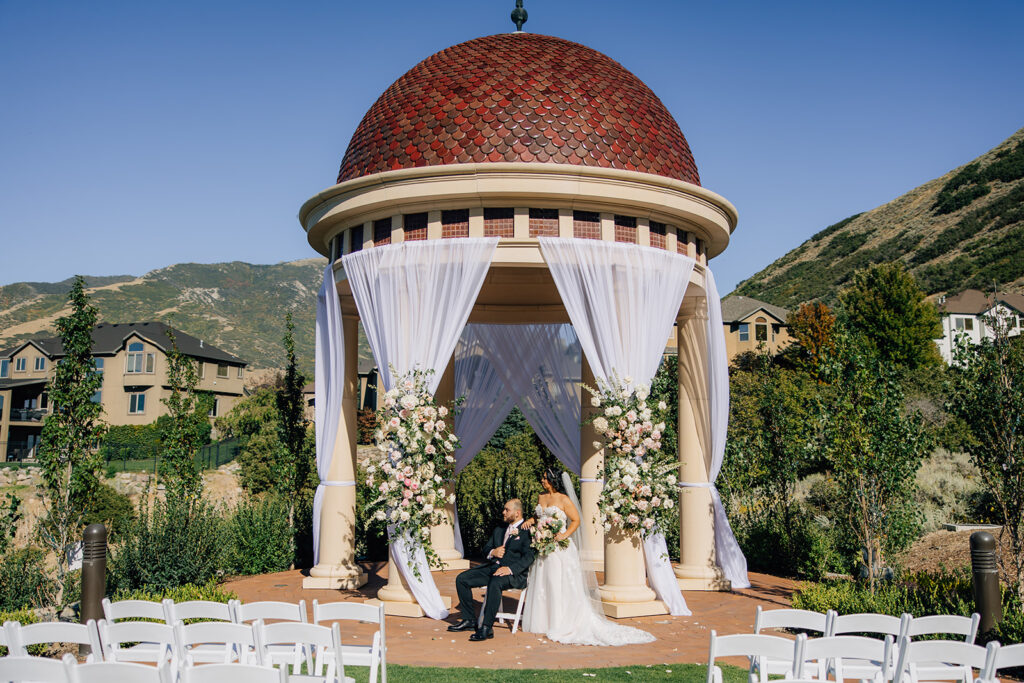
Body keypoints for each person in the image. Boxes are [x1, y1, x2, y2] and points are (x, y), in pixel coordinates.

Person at [521, 468, 655, 646]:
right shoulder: (541, 497)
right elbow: (539, 516)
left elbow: (576, 520)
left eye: (546, 478)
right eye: (542, 477)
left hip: (560, 548)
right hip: (543, 546)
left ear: (554, 480)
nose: (542, 481)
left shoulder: (564, 499)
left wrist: (563, 535)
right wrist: (532, 520)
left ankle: (561, 621)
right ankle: (544, 621)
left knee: (557, 583)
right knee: (543, 583)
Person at [449, 498, 535, 641]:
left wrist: (510, 569)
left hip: (514, 574)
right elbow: (486, 549)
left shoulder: (528, 532)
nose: (503, 512)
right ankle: (469, 620)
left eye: (507, 510)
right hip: (492, 568)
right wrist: (493, 552)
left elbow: (529, 556)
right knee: (462, 579)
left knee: (495, 582)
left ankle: (486, 628)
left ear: (518, 513)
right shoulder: (499, 529)